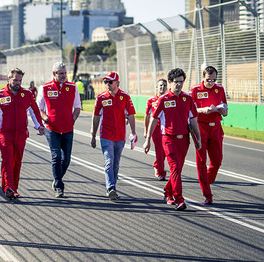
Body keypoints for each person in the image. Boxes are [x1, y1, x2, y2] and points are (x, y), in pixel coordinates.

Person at [0, 68, 45, 201]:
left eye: (20, 80)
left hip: (21, 134)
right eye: (15, 80)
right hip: (5, 134)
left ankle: (13, 189)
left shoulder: (27, 94)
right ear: (8, 79)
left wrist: (39, 126)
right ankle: (9, 187)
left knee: (17, 162)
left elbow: (34, 111)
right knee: (7, 160)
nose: (18, 83)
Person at [144, 68, 202, 211]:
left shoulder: (187, 99)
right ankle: (179, 199)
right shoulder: (163, 100)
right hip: (168, 139)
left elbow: (193, 120)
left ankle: (168, 191)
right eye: (176, 82)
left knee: (177, 170)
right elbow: (154, 119)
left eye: (181, 82)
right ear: (170, 82)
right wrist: (147, 140)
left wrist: (198, 138)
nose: (179, 85)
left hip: (184, 140)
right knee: (175, 168)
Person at [90, 72, 137, 201]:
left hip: (120, 137)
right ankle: (110, 188)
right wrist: (93, 135)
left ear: (117, 83)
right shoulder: (101, 98)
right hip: (106, 135)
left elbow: (131, 115)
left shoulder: (125, 97)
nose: (107, 85)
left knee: (116, 164)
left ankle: (113, 186)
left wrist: (133, 132)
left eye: (110, 82)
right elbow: (96, 117)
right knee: (109, 162)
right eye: (106, 82)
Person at [38, 61, 82, 198]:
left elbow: (77, 107)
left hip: (68, 129)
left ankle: (56, 178)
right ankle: (58, 186)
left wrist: (72, 120)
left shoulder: (72, 87)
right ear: (54, 74)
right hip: (52, 129)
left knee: (66, 160)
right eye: (60, 73)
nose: (63, 76)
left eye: (65, 73)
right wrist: (45, 119)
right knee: (56, 156)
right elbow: (37, 108)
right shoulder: (44, 88)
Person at [191, 66, 229, 205]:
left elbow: (225, 108)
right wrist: (202, 110)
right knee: (201, 161)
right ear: (203, 77)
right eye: (208, 80)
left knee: (217, 161)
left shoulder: (220, 89)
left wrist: (224, 111)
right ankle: (207, 194)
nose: (211, 82)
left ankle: (206, 181)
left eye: (214, 79)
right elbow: (190, 109)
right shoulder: (195, 90)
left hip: (216, 127)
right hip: (200, 127)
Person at [144, 79, 168, 181]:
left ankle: (156, 165)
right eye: (161, 85)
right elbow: (147, 116)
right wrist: (146, 131)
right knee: (160, 150)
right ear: (157, 87)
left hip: (166, 129)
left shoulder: (168, 99)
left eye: (164, 86)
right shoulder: (151, 101)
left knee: (166, 151)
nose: (162, 87)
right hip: (155, 129)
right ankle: (161, 172)